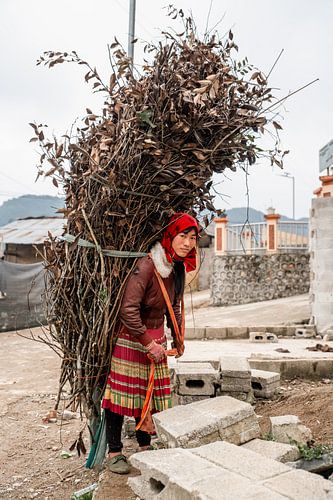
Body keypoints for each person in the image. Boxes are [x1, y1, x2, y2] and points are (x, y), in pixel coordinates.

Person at [101, 212, 199, 474]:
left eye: (192, 238)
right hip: (132, 338)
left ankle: (145, 447)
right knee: (121, 398)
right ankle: (115, 451)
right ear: (170, 236)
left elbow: (173, 307)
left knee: (150, 396)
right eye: (183, 236)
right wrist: (148, 343)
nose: (188, 243)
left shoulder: (177, 268)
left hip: (157, 340)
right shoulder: (147, 266)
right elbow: (128, 310)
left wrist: (178, 338)